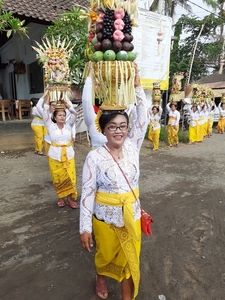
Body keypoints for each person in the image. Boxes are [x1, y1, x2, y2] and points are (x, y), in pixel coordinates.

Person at [79, 64, 148, 300]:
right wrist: (84, 228)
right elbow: (87, 192)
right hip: (104, 217)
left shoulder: (133, 146)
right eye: (112, 127)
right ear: (104, 130)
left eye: (122, 126)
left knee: (130, 259)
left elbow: (144, 117)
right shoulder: (94, 156)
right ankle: (100, 276)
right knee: (105, 255)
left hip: (131, 213)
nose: (118, 131)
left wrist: (138, 86)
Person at [43, 98, 78, 208]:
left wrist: (67, 105)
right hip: (55, 156)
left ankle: (69, 199)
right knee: (58, 178)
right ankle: (60, 198)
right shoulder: (50, 126)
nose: (62, 117)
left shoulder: (68, 125)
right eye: (59, 115)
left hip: (69, 155)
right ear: (54, 117)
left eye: (63, 115)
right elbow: (45, 111)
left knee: (70, 177)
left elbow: (74, 114)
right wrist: (48, 96)